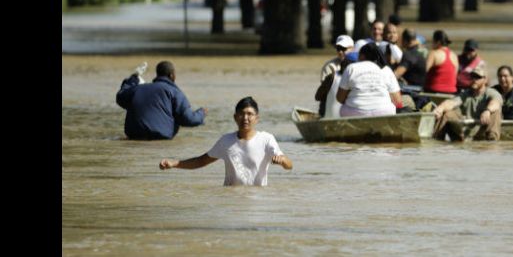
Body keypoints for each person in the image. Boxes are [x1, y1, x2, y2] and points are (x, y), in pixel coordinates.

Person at [159, 97, 292, 186]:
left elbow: (289, 165)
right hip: (231, 201)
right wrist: (174, 163)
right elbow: (201, 161)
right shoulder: (226, 141)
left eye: (250, 114)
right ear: (235, 117)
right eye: (241, 114)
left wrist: (282, 160)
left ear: (257, 118)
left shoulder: (266, 139)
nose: (245, 118)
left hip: (258, 201)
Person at [116, 60, 207, 140]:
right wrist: (201, 113)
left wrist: (133, 78)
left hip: (134, 136)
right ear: (172, 75)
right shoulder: (175, 92)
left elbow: (120, 97)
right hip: (160, 138)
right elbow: (188, 119)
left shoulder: (137, 89)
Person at [432, 67, 502, 141]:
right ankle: (437, 140)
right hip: (466, 130)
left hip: (483, 129)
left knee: (495, 112)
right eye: (472, 77)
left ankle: (492, 142)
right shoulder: (466, 94)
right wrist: (441, 108)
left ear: (485, 80)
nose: (474, 80)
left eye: (477, 77)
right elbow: (452, 102)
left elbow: (496, 102)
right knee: (447, 113)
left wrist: (488, 110)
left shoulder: (491, 92)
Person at [336, 42, 403, 117]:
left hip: (355, 113)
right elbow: (397, 101)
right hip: (384, 112)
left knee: (342, 108)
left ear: (362, 55)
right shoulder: (386, 70)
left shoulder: (351, 68)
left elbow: (339, 98)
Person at [315, 51, 357, 118]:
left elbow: (317, 97)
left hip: (330, 117)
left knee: (324, 99)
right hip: (352, 117)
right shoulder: (359, 79)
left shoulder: (331, 76)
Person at [423, 30, 459, 94]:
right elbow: (455, 74)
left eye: (433, 41)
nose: (432, 44)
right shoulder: (454, 55)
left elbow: (424, 72)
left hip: (434, 90)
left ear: (438, 42)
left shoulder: (433, 53)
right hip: (451, 91)